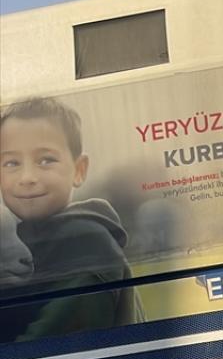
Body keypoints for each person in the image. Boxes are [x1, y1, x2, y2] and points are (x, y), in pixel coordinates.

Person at [0, 97, 141, 341]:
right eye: (11, 163)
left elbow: (47, 347)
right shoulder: (27, 241)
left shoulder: (84, 242)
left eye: (46, 160)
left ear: (79, 170)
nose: (27, 177)